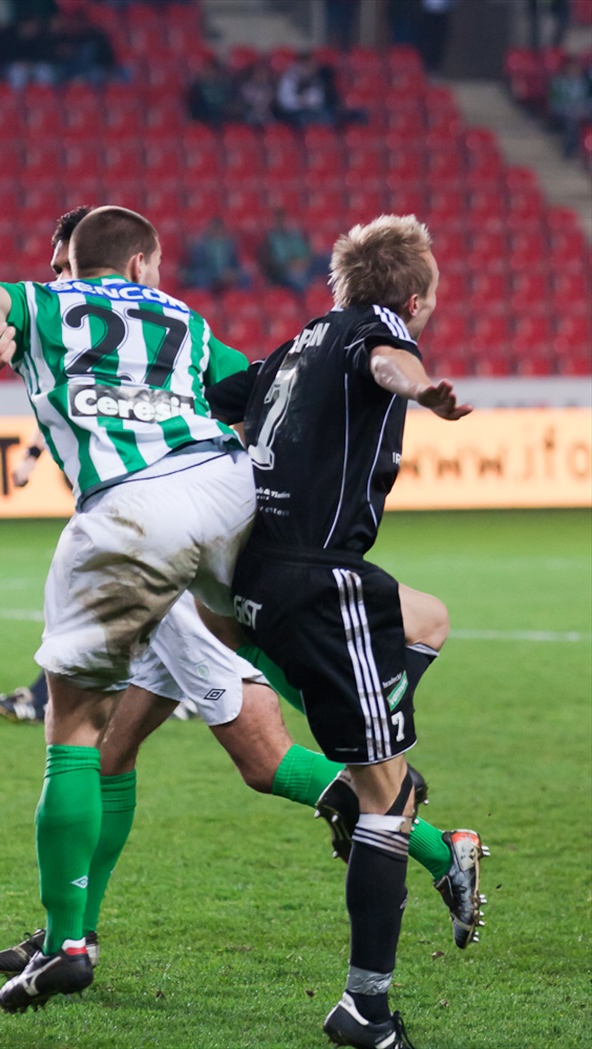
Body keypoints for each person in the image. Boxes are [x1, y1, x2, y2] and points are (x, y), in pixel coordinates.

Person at [0, 208, 482, 1008]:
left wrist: (417, 388)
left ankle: (430, 840)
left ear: (101, 263)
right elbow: (264, 387)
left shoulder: (57, 310)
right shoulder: (183, 325)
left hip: (163, 537)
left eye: (64, 258)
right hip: (218, 516)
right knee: (118, 748)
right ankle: (72, 929)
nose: (59, 272)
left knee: (257, 755)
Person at [206, 214, 486, 1048]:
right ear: (414, 293)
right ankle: (365, 1008)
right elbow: (386, 360)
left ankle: (368, 746)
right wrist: (418, 387)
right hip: (320, 581)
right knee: (388, 800)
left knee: (426, 620)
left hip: (257, 576)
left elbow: (221, 396)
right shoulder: (380, 331)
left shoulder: (299, 342)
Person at [181, 217, 249, 292]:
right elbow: (196, 266)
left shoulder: (230, 246)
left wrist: (233, 273)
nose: (217, 232)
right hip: (207, 274)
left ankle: (240, 300)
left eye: (219, 230)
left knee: (244, 278)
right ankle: (202, 301)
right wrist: (215, 273)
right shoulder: (199, 246)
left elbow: (236, 264)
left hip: (226, 274)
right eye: (215, 229)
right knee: (202, 278)